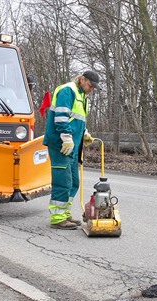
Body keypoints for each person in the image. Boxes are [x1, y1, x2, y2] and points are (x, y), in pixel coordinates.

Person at [43, 71, 101, 230]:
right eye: (90, 85)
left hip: (73, 146)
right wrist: (67, 137)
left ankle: (65, 213)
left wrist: (84, 133)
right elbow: (61, 117)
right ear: (82, 79)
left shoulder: (82, 97)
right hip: (61, 143)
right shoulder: (67, 91)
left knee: (74, 181)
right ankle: (57, 218)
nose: (92, 89)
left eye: (94, 88)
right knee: (63, 181)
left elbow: (76, 120)